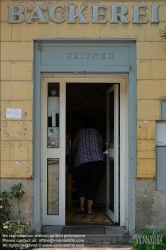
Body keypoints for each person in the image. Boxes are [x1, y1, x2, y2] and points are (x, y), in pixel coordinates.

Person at [71, 116, 105, 215]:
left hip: (82, 162)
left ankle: (81, 208)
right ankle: (90, 210)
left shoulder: (79, 132)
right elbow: (102, 145)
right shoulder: (96, 131)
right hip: (97, 161)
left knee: (81, 184)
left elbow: (74, 146)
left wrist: (73, 157)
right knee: (93, 185)